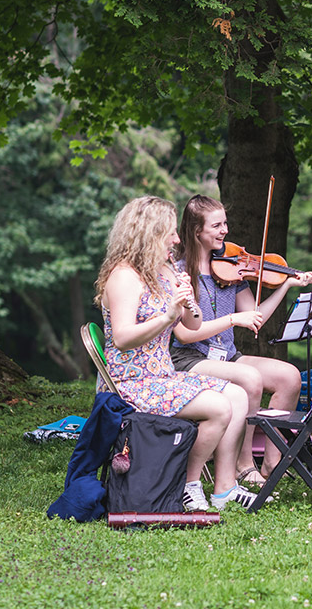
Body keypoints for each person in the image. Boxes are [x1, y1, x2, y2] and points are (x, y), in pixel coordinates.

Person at [95, 195, 258, 511]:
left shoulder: (164, 271)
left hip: (161, 374)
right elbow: (124, 338)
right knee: (220, 408)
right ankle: (188, 484)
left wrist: (187, 302)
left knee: (238, 396)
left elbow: (192, 327)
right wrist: (167, 316)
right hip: (131, 382)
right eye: (169, 232)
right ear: (149, 233)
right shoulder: (124, 276)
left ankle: (225, 487)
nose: (176, 239)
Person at [170, 194, 312, 486]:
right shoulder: (179, 274)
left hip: (226, 356)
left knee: (289, 376)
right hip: (189, 358)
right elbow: (185, 334)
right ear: (197, 231)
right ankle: (242, 463)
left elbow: (254, 315)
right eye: (216, 226)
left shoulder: (231, 270)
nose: (225, 231)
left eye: (225, 223)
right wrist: (231, 320)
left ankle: (272, 460)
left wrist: (286, 284)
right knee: (249, 378)